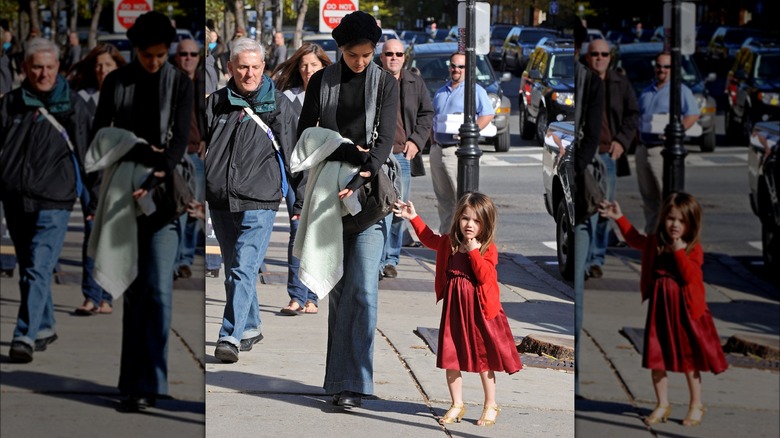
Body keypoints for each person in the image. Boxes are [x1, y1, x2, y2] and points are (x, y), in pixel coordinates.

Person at [296, 10, 399, 408]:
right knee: (339, 290)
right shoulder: (322, 81)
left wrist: (362, 176)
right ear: (340, 50)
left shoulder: (385, 84)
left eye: (366, 54)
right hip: (328, 195)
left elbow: (386, 139)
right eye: (353, 55)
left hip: (369, 198)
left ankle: (355, 383)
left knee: (363, 291)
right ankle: (339, 383)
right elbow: (306, 134)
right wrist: (341, 150)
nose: (360, 61)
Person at [90, 11, 193, 411]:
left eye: (161, 54)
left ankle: (152, 382)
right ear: (135, 50)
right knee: (132, 290)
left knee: (159, 292)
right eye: (148, 55)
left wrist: (156, 172)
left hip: (163, 197)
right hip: (121, 193)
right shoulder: (117, 82)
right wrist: (138, 150)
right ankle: (131, 383)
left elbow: (180, 140)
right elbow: (100, 135)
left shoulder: (180, 83)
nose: (155, 61)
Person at [205, 37, 300, 363]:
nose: (249, 73)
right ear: (230, 68)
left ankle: (229, 335)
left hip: (260, 198)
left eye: (255, 67)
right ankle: (251, 326)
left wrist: (298, 202)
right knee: (235, 267)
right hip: (220, 198)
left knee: (243, 268)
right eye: (242, 67)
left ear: (264, 67)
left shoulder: (278, 105)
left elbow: (293, 156)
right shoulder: (216, 102)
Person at [0, 37, 94, 363]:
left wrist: (92, 202)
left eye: (49, 67)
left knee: (38, 267)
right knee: (30, 266)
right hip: (15, 197)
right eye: (37, 67)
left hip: (55, 199)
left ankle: (23, 334)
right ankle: (45, 326)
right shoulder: (10, 102)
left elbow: (87, 155)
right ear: (25, 68)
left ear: (58, 68)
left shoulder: (73, 105)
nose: (43, 74)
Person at [393, 192, 522, 426]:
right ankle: (457, 404)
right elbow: (428, 238)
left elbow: (484, 277)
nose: (469, 225)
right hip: (455, 311)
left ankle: (490, 404)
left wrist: (473, 251)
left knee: (483, 360)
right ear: (458, 220)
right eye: (465, 219)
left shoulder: (486, 249)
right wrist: (414, 217)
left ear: (486, 223)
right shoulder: (451, 243)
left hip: (480, 312)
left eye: (476, 220)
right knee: (451, 357)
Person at [599, 192, 727, 426]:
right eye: (670, 219)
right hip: (661, 309)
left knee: (689, 360)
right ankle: (662, 403)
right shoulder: (656, 242)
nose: (675, 225)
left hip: (686, 311)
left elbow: (690, 277)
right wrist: (619, 217)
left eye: (681, 220)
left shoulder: (692, 249)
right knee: (656, 357)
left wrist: (678, 251)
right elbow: (634, 239)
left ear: (691, 223)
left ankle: (696, 404)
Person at [271, 41, 332, 315]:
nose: (308, 70)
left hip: (325, 174)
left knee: (316, 236)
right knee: (298, 234)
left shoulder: (332, 95)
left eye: (314, 65)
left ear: (323, 67)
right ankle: (297, 295)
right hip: (297, 175)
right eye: (304, 65)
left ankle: (313, 297)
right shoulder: (287, 98)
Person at [67, 42, 126, 315]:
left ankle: (106, 297)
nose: (103, 70)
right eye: (98, 65)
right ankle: (92, 296)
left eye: (108, 65)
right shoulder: (82, 99)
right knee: (93, 234)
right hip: (91, 176)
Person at [378, 39, 434, 279]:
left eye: (398, 54)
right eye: (389, 53)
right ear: (381, 57)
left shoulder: (414, 82)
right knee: (377, 208)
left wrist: (416, 141)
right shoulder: (373, 80)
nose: (394, 57)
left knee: (398, 209)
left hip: (401, 155)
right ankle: (375, 260)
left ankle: (390, 259)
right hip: (377, 155)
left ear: (404, 57)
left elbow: (427, 113)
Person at [584, 38, 639, 278]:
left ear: (610, 57)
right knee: (586, 211)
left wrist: (622, 142)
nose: (600, 58)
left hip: (607, 155)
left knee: (604, 209)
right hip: (586, 156)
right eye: (595, 54)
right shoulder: (583, 80)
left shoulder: (620, 82)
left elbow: (632, 115)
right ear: (588, 57)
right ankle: (583, 261)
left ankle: (596, 258)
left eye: (604, 54)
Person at [571, 17, 604, 397]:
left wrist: (572, 166)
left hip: (576, 194)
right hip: (569, 198)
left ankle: (577, 381)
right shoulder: (584, 80)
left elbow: (591, 137)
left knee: (577, 289)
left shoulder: (589, 82)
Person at [430, 51, 495, 233]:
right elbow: (433, 117)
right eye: (453, 65)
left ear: (468, 69)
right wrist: (432, 141)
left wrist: (469, 134)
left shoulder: (474, 90)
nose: (456, 69)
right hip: (438, 149)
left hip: (458, 151)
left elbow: (488, 114)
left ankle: (464, 242)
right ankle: (446, 240)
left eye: (460, 66)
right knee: (443, 200)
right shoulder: (441, 92)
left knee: (463, 200)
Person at [636, 52, 700, 233]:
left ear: (673, 69)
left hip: (662, 150)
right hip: (643, 148)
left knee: (667, 199)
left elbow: (693, 114)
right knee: (648, 200)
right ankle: (651, 237)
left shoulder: (680, 90)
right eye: (658, 66)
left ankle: (666, 240)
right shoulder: (646, 91)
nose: (661, 70)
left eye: (666, 67)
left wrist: (675, 134)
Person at [172, 39, 206, 280]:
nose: (188, 58)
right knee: (176, 210)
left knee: (195, 210)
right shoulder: (169, 83)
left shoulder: (202, 82)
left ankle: (185, 259)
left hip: (196, 153)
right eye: (183, 54)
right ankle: (173, 260)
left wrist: (207, 138)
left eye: (193, 54)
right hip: (174, 155)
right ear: (176, 57)